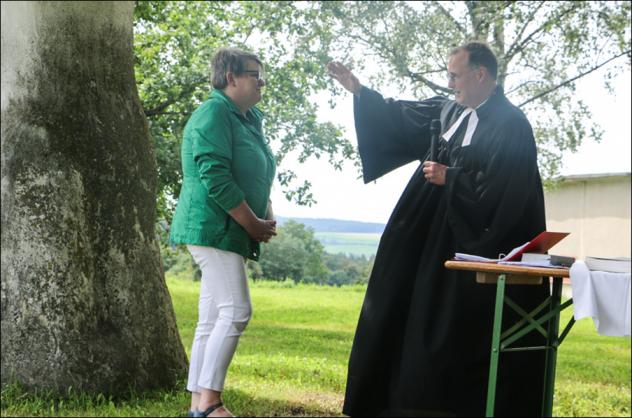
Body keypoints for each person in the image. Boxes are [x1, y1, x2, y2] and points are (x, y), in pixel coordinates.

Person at [328, 41, 549, 416]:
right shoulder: (449, 110)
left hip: (470, 243)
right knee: (395, 305)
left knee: (448, 332)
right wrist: (361, 92)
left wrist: (453, 178)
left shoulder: (511, 125)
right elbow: (402, 116)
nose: (449, 84)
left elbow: (507, 191)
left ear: (481, 75)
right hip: (421, 240)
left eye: (454, 75)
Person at [169, 48, 277, 418]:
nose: (262, 82)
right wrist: (251, 222)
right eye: (254, 74)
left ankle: (198, 405)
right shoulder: (214, 112)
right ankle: (211, 402)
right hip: (212, 226)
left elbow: (256, 169)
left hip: (229, 227)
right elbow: (214, 174)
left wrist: (266, 211)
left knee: (212, 317)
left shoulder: (248, 118)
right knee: (236, 311)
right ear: (231, 77)